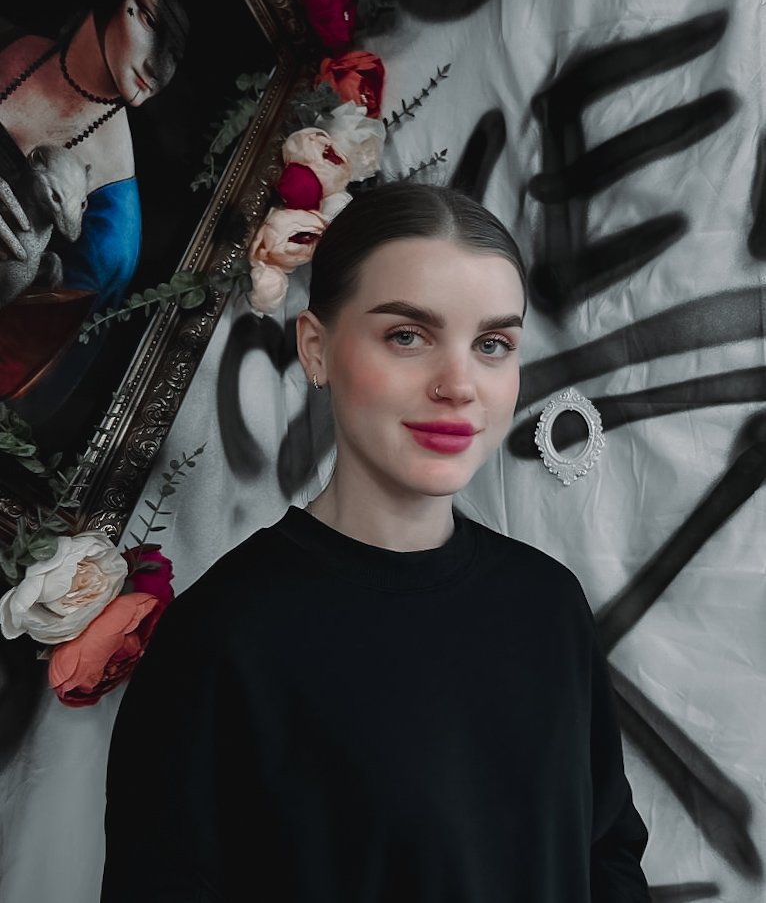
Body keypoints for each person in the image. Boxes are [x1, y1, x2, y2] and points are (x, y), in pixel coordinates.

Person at [100, 181, 651, 902]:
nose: (459, 385)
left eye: (492, 344)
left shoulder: (548, 604)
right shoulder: (222, 638)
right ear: (316, 348)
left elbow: (609, 856)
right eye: (407, 336)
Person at [0, 0, 189, 405]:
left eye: (176, 52)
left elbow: (15, 380)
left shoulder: (111, 227)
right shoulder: (9, 43)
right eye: (151, 20)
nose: (158, 68)